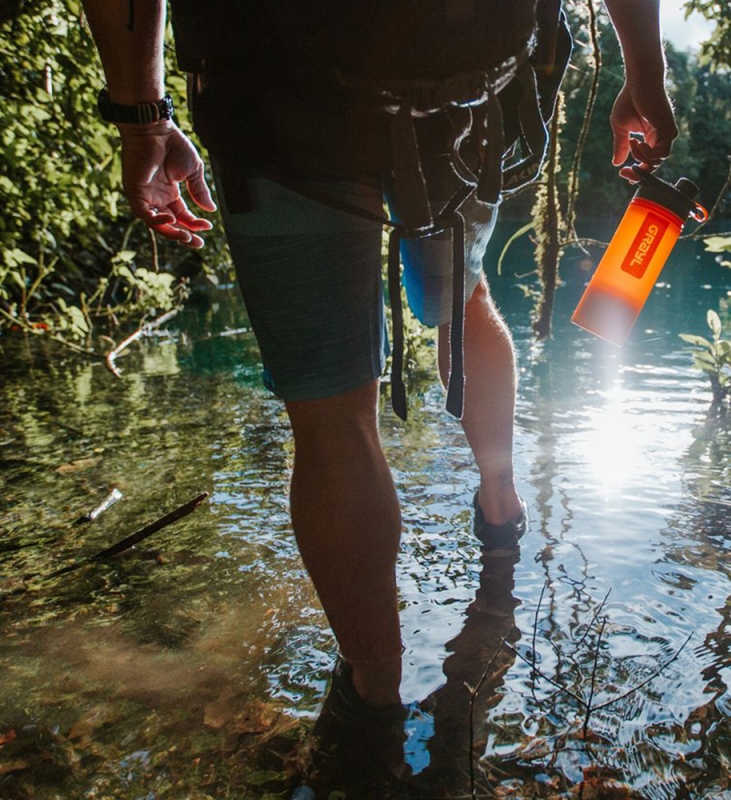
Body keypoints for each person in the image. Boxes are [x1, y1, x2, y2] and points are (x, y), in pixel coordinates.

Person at [80, 0, 677, 722]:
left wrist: (142, 116)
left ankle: (374, 691)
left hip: (272, 99)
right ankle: (500, 508)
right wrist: (644, 70)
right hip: (462, 91)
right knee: (460, 298)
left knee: (333, 416)